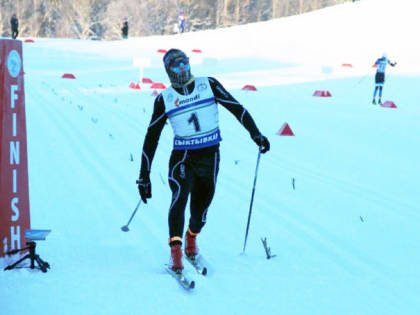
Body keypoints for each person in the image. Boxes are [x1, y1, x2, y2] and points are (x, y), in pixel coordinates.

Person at [137, 49, 270, 273]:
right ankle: (176, 253)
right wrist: (144, 176)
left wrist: (256, 134)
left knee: (201, 211)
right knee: (179, 199)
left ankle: (191, 237)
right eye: (176, 65)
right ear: (168, 70)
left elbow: (237, 109)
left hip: (210, 156)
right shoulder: (165, 99)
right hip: (183, 159)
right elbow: (151, 137)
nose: (183, 68)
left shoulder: (208, 84)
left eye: (185, 63)